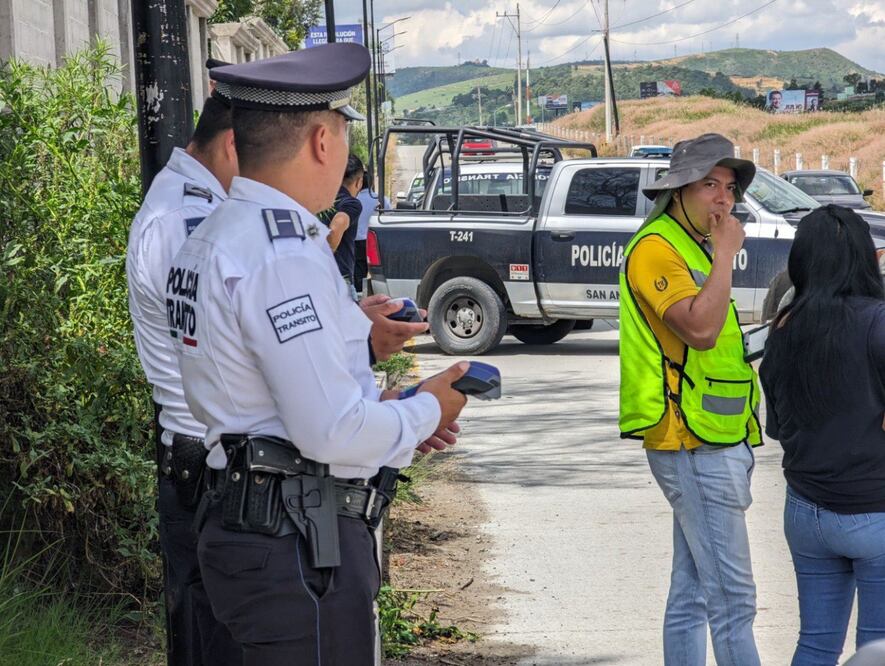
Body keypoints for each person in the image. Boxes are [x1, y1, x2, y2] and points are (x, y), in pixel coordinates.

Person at [165, 43, 469, 664]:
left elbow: (269, 392)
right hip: (298, 544)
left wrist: (381, 407)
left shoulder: (216, 235)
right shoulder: (283, 253)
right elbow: (329, 430)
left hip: (250, 522)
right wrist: (427, 411)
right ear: (323, 143)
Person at [618, 133, 762, 666]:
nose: (723, 200)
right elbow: (700, 330)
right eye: (709, 185)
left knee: (695, 591)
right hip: (690, 440)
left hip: (711, 435)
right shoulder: (657, 248)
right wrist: (725, 255)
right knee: (733, 599)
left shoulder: (692, 246)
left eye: (729, 188)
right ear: (678, 189)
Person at [126, 89, 242, 664]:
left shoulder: (186, 207)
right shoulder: (185, 220)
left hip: (202, 458)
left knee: (211, 636)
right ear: (230, 144)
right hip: (205, 462)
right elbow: (224, 353)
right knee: (212, 640)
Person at [760, 205, 885, 666]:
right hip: (874, 511)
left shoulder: (784, 328)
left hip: (805, 513)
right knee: (876, 648)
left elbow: (778, 427)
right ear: (865, 258)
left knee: (815, 644)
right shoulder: (878, 321)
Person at [318, 154, 364, 294]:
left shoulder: (316, 200)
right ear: (359, 182)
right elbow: (335, 230)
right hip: (339, 285)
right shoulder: (351, 203)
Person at [355, 169, 392, 294]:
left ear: (359, 183)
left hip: (357, 240)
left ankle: (360, 294)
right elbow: (389, 218)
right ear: (372, 183)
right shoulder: (382, 199)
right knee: (377, 272)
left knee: (359, 271)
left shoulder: (354, 199)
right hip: (376, 241)